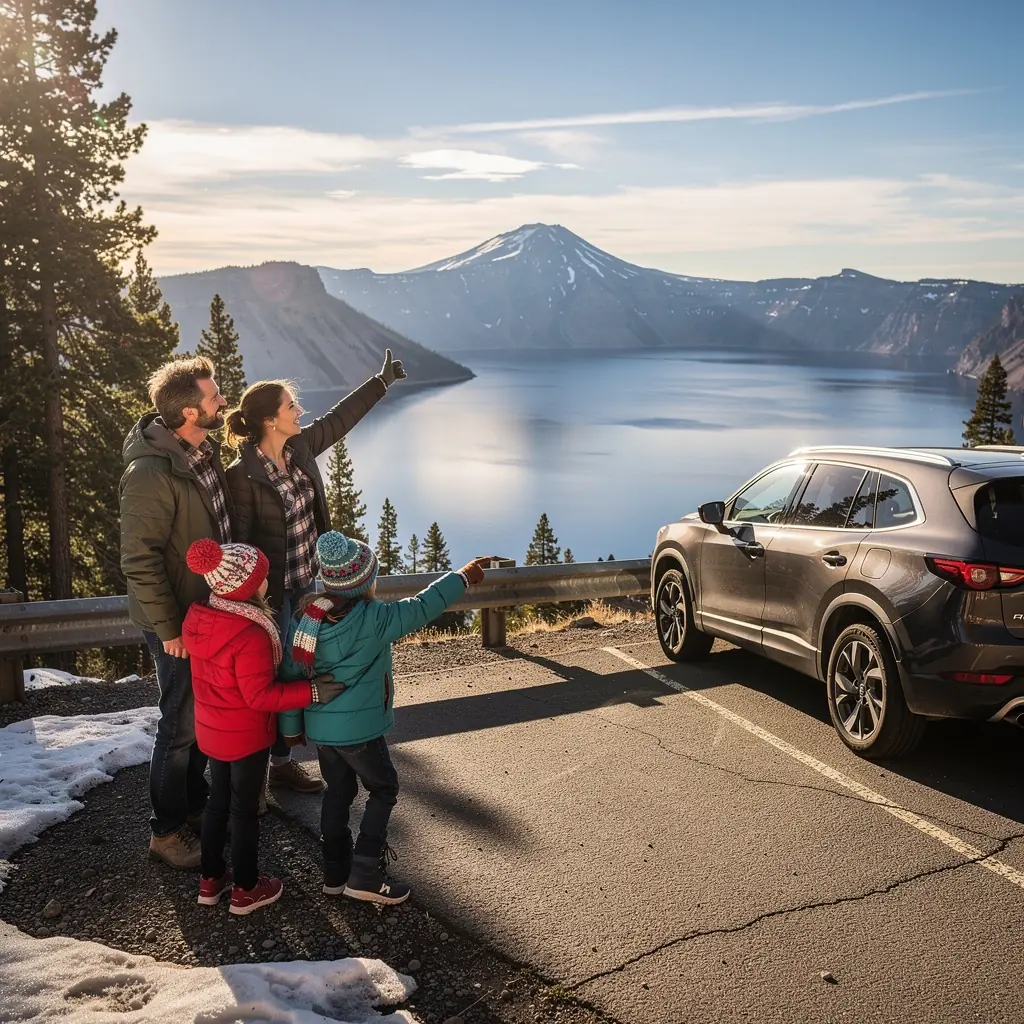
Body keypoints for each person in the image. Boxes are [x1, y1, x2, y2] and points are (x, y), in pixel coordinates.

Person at [224, 349, 407, 797]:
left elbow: (338, 419)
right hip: (271, 594)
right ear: (270, 420)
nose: (300, 411)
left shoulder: (300, 447)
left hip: (308, 584)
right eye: (291, 406)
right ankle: (265, 774)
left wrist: (379, 383)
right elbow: (242, 542)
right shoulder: (242, 475)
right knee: (277, 677)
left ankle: (295, 758)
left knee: (305, 669)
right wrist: (253, 599)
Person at [279, 531, 493, 905]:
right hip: (360, 732)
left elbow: (291, 675)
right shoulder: (375, 618)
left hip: (324, 735)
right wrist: (462, 576)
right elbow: (423, 605)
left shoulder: (305, 621)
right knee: (384, 788)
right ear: (363, 581)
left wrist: (292, 729)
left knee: (338, 794)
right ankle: (364, 873)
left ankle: (335, 873)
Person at [181, 538, 343, 915]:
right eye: (263, 577)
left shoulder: (200, 617)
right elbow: (260, 697)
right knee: (244, 810)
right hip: (246, 736)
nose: (268, 582)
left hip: (212, 730)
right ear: (247, 587)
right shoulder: (250, 633)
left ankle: (210, 880)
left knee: (216, 803)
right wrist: (311, 692)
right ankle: (247, 888)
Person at [120, 355, 232, 869]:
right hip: (178, 621)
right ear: (189, 412)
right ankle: (165, 833)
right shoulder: (150, 471)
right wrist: (168, 629)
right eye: (214, 397)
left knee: (199, 715)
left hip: (207, 613)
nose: (223, 401)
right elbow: (139, 559)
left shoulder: (201, 452)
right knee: (180, 724)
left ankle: (192, 805)